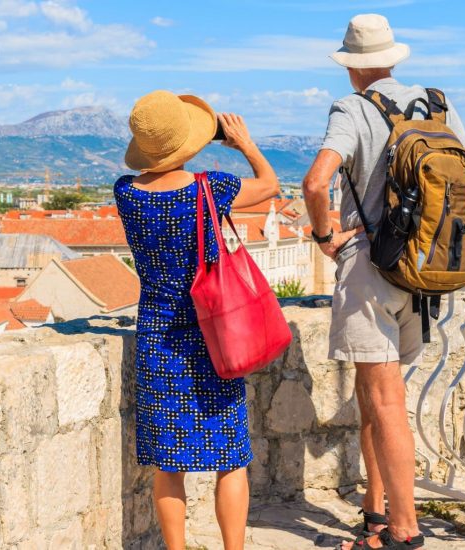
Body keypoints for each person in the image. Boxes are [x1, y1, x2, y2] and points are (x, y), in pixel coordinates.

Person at [302, 14, 465, 550]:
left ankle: (405, 530)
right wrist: (454, 244)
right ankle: (375, 515)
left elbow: (316, 181)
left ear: (351, 67)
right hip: (422, 273)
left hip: (371, 269)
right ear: (392, 57)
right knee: (376, 397)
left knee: (384, 403)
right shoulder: (438, 105)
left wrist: (326, 235)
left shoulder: (353, 109)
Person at [115, 90, 281, 550]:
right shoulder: (211, 188)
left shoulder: (125, 193)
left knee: (169, 464)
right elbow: (270, 185)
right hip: (215, 335)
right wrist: (245, 144)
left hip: (158, 338)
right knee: (230, 458)